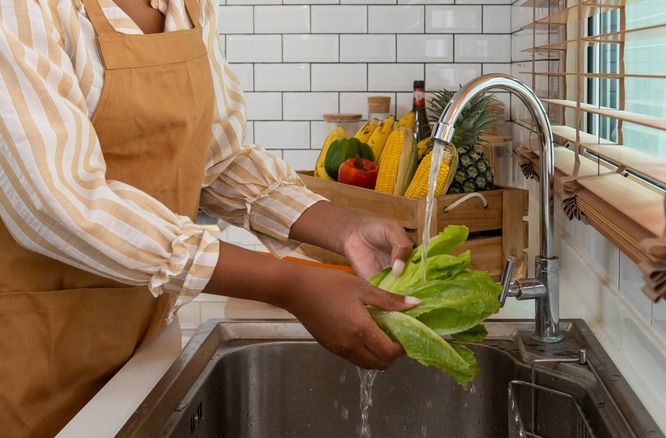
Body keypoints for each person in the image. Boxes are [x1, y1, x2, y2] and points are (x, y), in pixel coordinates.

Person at [0, 0, 418, 436]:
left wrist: (344, 228)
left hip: (142, 350)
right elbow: (62, 205)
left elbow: (217, 159)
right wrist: (288, 284)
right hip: (36, 359)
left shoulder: (187, 6)